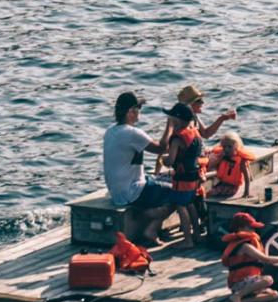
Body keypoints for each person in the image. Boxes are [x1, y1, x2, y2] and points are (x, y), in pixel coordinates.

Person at [102, 91, 171, 245]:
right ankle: (150, 227)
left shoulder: (110, 131)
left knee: (157, 180)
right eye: (138, 108)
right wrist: (170, 125)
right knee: (179, 193)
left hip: (116, 191)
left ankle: (146, 217)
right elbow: (161, 148)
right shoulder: (132, 133)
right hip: (131, 191)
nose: (140, 112)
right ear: (131, 112)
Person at [220, 213, 278, 302]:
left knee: (274, 294)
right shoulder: (245, 246)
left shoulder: (248, 243)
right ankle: (238, 295)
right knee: (268, 280)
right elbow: (266, 259)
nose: (254, 230)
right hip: (239, 283)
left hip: (249, 282)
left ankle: (241, 300)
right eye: (251, 227)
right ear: (240, 228)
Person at [156, 84, 236, 167]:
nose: (202, 102)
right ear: (189, 105)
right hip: (187, 160)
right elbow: (164, 144)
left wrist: (221, 118)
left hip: (196, 158)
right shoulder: (177, 120)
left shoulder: (194, 117)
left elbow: (206, 133)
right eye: (199, 100)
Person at [162, 103, 205, 248]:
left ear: (178, 119)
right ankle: (197, 235)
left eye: (171, 117)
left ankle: (187, 240)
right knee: (190, 204)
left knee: (181, 207)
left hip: (182, 178)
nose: (170, 119)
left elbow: (170, 161)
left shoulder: (177, 138)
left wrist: (163, 159)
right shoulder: (195, 132)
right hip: (194, 176)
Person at [206, 131, 256, 200]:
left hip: (232, 187)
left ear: (236, 146)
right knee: (207, 192)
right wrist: (218, 157)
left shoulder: (241, 160)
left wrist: (246, 193)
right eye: (224, 147)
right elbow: (212, 165)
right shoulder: (222, 156)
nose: (226, 149)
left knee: (209, 193)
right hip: (222, 183)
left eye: (229, 147)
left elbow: (247, 178)